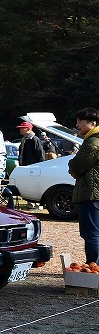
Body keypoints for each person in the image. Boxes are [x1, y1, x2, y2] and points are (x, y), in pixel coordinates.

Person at [69, 107, 99, 264]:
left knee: (91, 233)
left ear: (92, 123)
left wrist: (71, 165)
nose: (77, 124)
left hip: (91, 193)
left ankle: (93, 266)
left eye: (80, 121)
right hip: (93, 193)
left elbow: (77, 165)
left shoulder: (93, 142)